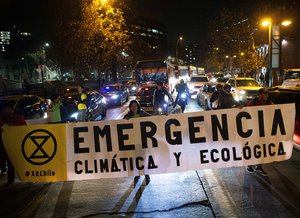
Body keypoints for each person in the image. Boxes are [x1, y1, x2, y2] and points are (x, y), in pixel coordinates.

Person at [246, 87, 272, 176]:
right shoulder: (252, 103)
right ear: (260, 95)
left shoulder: (269, 103)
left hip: (263, 130)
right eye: (265, 94)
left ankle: (259, 167)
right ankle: (249, 165)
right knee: (252, 147)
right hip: (253, 130)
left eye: (267, 94)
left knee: (262, 148)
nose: (267, 96)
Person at [123, 100, 151, 184]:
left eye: (135, 106)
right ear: (130, 108)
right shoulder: (128, 116)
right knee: (136, 159)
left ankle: (146, 175)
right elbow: (120, 124)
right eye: (132, 106)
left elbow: (153, 118)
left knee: (144, 158)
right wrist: (125, 120)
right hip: (134, 141)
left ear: (138, 106)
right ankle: (137, 175)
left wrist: (163, 117)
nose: (133, 108)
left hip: (143, 141)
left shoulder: (143, 114)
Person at [0, 103, 27, 186]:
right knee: (10, 162)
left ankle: (28, 177)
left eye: (9, 109)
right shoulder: (1, 120)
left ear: (12, 110)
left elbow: (25, 129)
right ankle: (10, 180)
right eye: (5, 109)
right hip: (6, 145)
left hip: (19, 144)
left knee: (23, 161)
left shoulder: (19, 118)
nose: (7, 111)